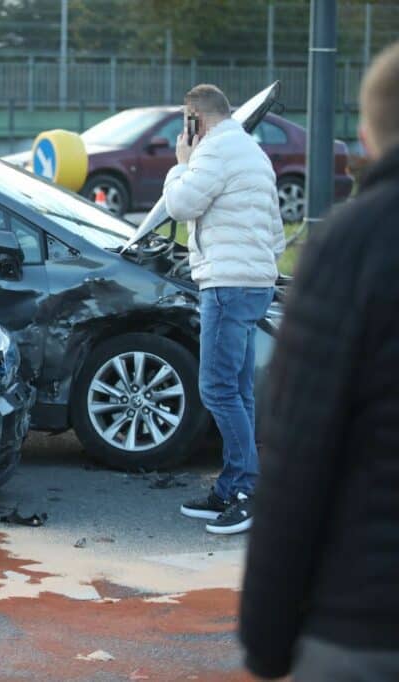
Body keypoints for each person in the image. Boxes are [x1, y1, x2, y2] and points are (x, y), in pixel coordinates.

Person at [240, 41, 399, 680]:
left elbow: (298, 455)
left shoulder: (351, 245)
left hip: (365, 623)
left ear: (365, 133)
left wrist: (266, 641)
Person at [164, 84, 285, 534]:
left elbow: (180, 204)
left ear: (195, 118)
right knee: (238, 388)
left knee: (216, 388)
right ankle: (231, 485)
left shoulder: (213, 152)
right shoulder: (253, 152)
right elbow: (275, 230)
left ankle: (248, 490)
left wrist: (181, 164)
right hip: (254, 282)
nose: (184, 129)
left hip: (227, 285)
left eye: (185, 120)